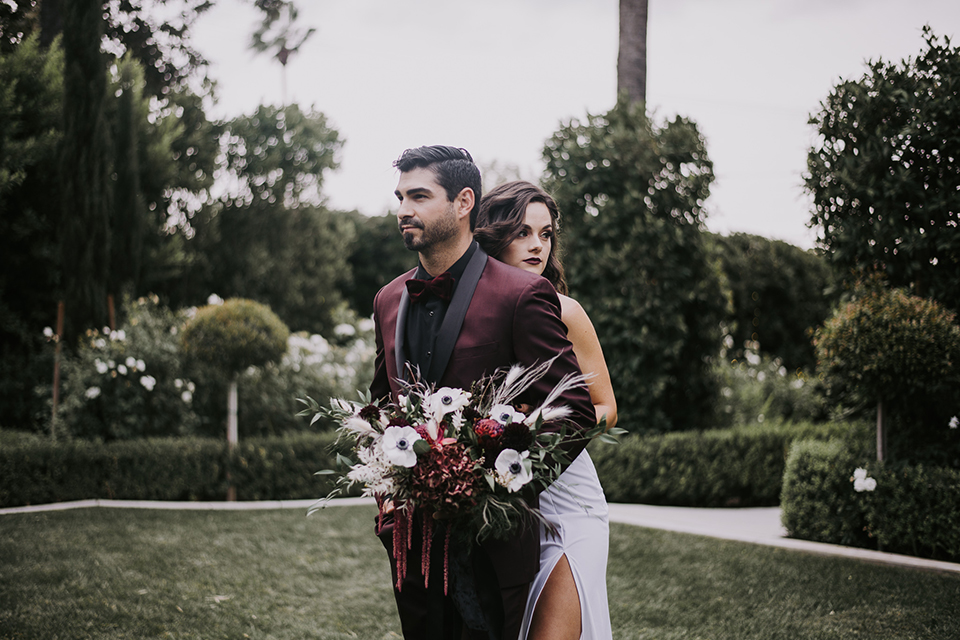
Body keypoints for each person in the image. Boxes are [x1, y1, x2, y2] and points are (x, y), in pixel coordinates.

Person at [369, 146, 596, 640]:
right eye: (401, 196)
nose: (405, 209)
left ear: (464, 201)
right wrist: (387, 503)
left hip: (493, 542)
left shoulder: (521, 294)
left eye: (420, 196)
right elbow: (383, 406)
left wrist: (499, 490)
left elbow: (574, 411)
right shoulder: (387, 299)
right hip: (411, 544)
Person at [476, 180, 617, 640]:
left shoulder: (566, 311)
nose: (537, 245)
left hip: (570, 501)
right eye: (523, 232)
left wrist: (534, 434)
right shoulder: (475, 313)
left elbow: (606, 407)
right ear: (494, 235)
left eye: (546, 233)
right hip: (506, 507)